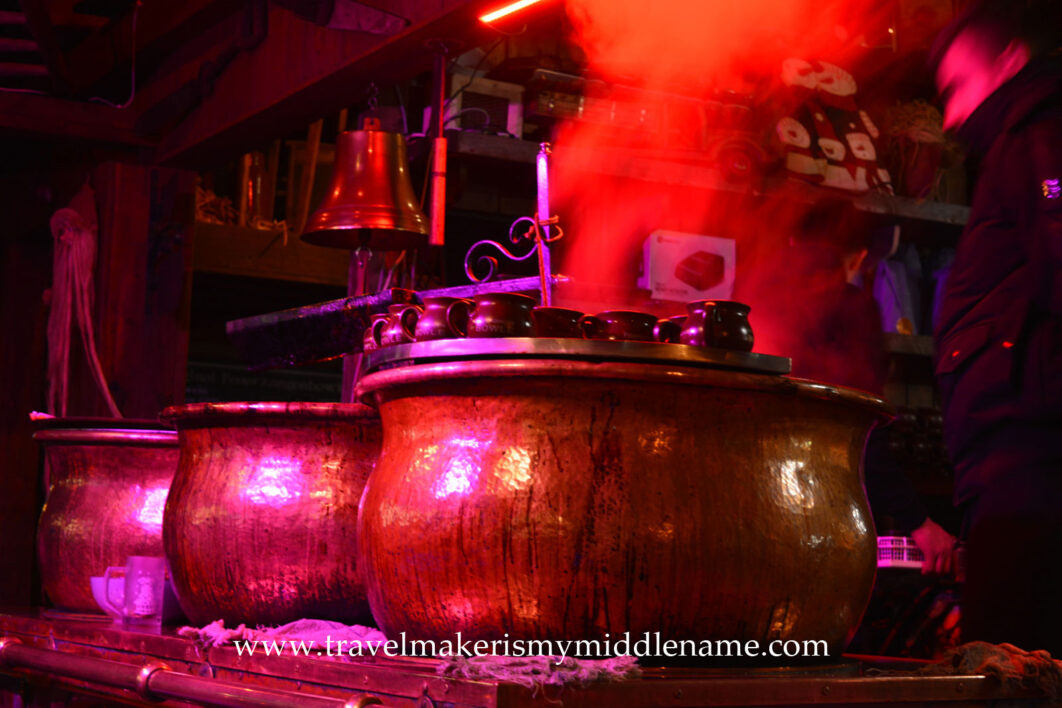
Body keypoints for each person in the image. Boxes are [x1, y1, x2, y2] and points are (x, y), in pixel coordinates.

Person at [929, 0, 1062, 654]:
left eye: (958, 88)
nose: (952, 116)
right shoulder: (1025, 135)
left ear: (1010, 61)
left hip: (1024, 449)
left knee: (1007, 660)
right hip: (1017, 444)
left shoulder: (1038, 126)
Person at [759, 197, 957, 573]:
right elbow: (863, 427)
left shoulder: (759, 299)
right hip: (818, 504)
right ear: (858, 258)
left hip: (764, 499)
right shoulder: (852, 311)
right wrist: (918, 522)